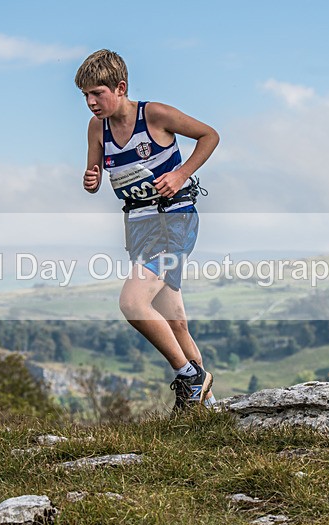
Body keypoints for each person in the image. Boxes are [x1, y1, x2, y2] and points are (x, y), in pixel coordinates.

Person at [75, 49, 220, 411]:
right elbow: (95, 173)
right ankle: (210, 408)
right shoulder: (97, 128)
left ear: (120, 87)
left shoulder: (154, 115)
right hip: (137, 226)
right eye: (86, 96)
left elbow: (209, 136)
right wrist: (91, 179)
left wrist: (181, 173)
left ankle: (189, 376)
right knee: (176, 322)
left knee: (133, 302)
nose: (91, 102)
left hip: (174, 220)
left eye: (97, 93)